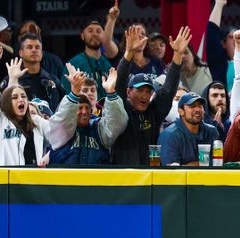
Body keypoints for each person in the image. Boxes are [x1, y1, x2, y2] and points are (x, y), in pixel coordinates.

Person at [112, 25, 189, 165]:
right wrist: (129, 52)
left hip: (151, 177)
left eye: (148, 91)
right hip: (124, 178)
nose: (145, 95)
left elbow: (168, 90)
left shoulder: (154, 112)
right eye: (140, 90)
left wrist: (177, 55)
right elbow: (120, 81)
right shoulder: (122, 108)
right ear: (128, 92)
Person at [0, 45, 50, 166]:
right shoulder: (0, 118)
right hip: (6, 181)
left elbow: (60, 138)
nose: (20, 100)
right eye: (15, 97)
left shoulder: (37, 121)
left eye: (23, 96)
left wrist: (49, 155)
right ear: (7, 103)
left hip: (34, 180)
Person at [47, 67, 127, 165]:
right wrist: (75, 93)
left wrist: (111, 93)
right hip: (65, 179)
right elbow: (63, 117)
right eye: (80, 108)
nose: (84, 112)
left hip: (96, 179)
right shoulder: (62, 128)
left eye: (87, 108)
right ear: (72, 110)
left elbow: (117, 124)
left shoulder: (98, 127)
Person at [159, 91, 219, 166]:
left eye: (200, 106)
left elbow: (218, 163)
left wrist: (190, 165)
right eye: (192, 106)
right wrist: (202, 163)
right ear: (181, 112)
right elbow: (171, 172)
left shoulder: (212, 131)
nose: (197, 109)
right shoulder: (169, 135)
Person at [6, 33, 63, 112]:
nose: (34, 50)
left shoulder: (53, 81)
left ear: (42, 53)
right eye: (29, 47)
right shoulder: (12, 80)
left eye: (37, 47)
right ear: (20, 52)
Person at [62, 20, 113, 99]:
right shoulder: (73, 64)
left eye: (98, 31)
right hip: (83, 110)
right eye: (90, 31)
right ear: (82, 36)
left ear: (104, 36)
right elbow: (66, 96)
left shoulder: (110, 64)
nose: (95, 34)